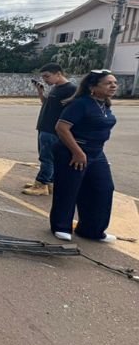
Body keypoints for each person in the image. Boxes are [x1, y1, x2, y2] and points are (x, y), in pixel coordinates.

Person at [49, 70, 119, 242]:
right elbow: (61, 128)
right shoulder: (80, 104)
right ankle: (61, 226)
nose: (113, 86)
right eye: (108, 83)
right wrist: (78, 152)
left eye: (115, 83)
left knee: (103, 188)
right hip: (72, 151)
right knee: (69, 189)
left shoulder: (105, 105)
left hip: (96, 153)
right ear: (92, 87)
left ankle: (92, 229)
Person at [22, 63, 75, 196]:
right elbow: (47, 104)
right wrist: (40, 92)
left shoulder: (71, 89)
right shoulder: (56, 87)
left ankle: (41, 184)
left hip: (53, 130)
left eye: (47, 76)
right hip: (44, 127)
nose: (45, 79)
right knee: (46, 157)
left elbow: (75, 110)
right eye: (43, 77)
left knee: (47, 158)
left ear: (58, 74)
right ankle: (49, 183)